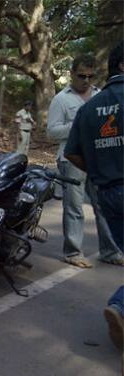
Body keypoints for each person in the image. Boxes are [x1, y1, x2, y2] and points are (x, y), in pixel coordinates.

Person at [64, 41, 124, 350]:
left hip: (107, 191)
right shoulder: (67, 100)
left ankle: (119, 307)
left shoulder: (89, 109)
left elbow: (72, 152)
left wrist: (99, 169)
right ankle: (120, 307)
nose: (86, 80)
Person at [47, 54, 123, 268]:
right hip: (71, 158)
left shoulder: (101, 95)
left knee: (103, 205)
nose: (86, 81)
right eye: (81, 76)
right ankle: (73, 252)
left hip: (98, 158)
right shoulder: (61, 99)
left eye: (91, 76)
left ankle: (111, 250)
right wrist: (80, 126)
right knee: (74, 207)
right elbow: (51, 132)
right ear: (71, 74)